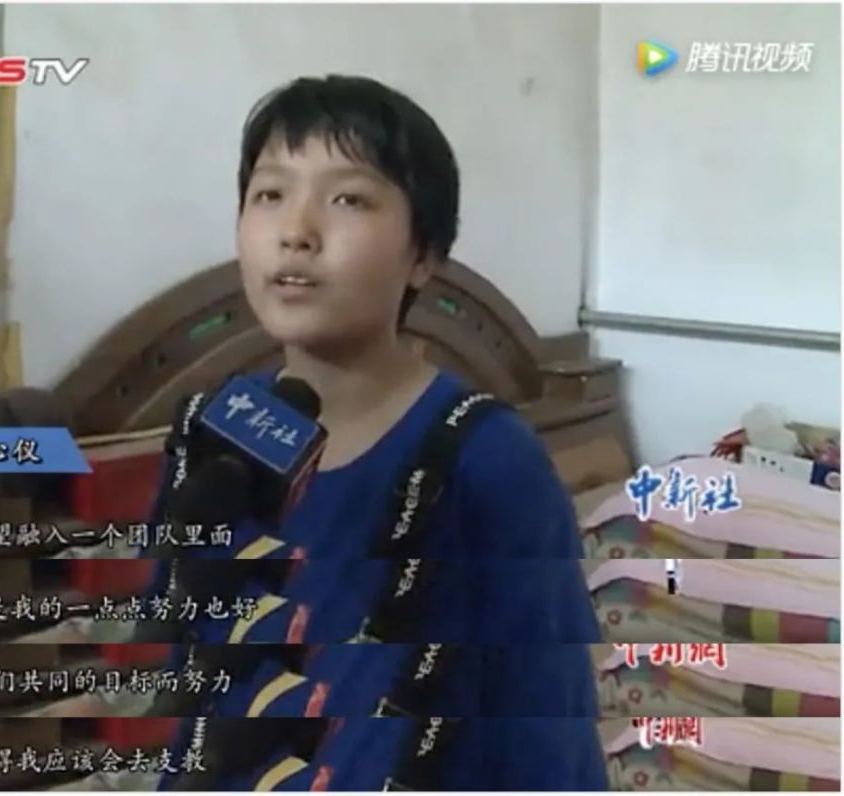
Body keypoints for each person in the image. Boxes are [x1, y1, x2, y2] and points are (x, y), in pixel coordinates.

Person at [144, 74, 608, 791]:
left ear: (423, 255)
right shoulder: (217, 429)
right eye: (269, 194)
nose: (296, 231)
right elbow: (188, 670)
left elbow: (549, 730)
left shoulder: (487, 457)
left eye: (349, 199)